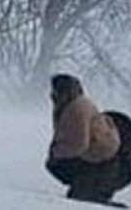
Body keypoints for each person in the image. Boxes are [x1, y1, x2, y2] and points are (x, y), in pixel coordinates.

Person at [45, 74, 124, 204]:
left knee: (83, 201)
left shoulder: (76, 109)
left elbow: (78, 145)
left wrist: (56, 152)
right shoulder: (68, 106)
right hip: (95, 158)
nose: (52, 94)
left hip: (100, 161)